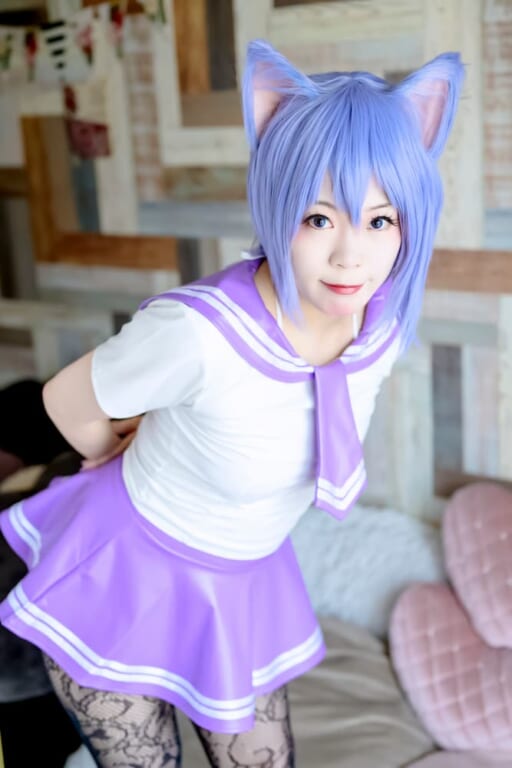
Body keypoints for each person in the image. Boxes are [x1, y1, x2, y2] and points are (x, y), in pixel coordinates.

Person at [0, 39, 464, 767]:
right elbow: (63, 397)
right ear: (277, 203)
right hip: (129, 572)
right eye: (319, 218)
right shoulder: (199, 332)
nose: (351, 256)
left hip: (242, 576)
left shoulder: (378, 324)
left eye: (381, 221)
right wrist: (108, 451)